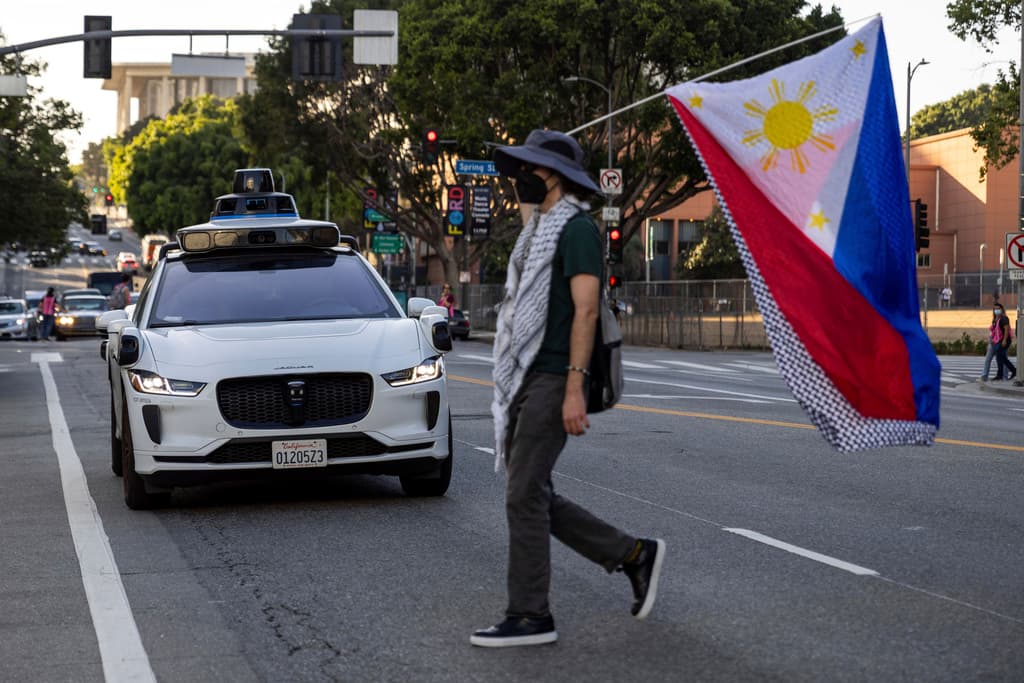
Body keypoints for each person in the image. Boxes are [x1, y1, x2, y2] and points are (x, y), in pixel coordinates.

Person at [472, 129, 664, 648]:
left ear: (550, 175)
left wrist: (576, 387)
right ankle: (631, 554)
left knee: (522, 495)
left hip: (557, 377)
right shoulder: (537, 234)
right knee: (532, 492)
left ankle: (531, 615)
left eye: (525, 172)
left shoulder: (577, 231)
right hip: (529, 377)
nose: (516, 183)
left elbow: (585, 309)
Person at [991, 303, 1016, 381]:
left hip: (1005, 340)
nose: (996, 310)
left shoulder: (1004, 318)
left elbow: (1006, 330)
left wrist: (1004, 340)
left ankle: (1000, 375)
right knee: (1001, 357)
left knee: (1000, 357)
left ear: (1001, 309)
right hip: (999, 340)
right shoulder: (996, 319)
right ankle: (1013, 371)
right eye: (995, 309)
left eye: (998, 308)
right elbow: (995, 330)